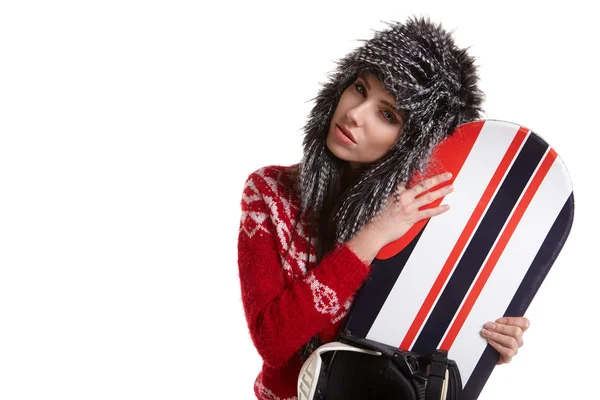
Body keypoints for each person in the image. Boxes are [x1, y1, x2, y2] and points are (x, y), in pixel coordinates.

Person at [237, 16, 530, 400]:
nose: (355, 114)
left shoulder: (428, 221)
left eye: (388, 114)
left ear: (413, 143)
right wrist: (373, 235)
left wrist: (480, 343)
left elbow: (417, 350)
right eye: (359, 89)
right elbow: (274, 342)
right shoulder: (269, 192)